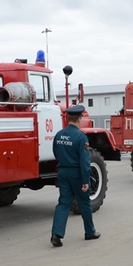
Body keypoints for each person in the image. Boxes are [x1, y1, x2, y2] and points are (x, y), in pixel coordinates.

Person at [50, 104, 101, 247]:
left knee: (63, 203)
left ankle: (56, 234)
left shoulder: (59, 135)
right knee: (84, 202)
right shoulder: (81, 137)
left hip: (63, 172)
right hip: (77, 174)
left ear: (67, 118)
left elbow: (56, 152)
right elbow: (85, 161)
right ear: (79, 119)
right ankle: (90, 232)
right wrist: (85, 180)